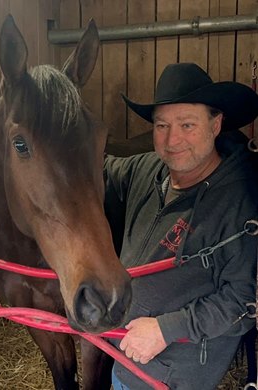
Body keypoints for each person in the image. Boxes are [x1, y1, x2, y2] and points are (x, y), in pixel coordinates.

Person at [104, 63, 258, 389]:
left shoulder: (240, 204)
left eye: (187, 125)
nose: (172, 140)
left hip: (174, 380)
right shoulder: (147, 171)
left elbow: (243, 301)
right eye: (162, 125)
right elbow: (97, 167)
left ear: (216, 125)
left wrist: (167, 329)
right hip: (124, 361)